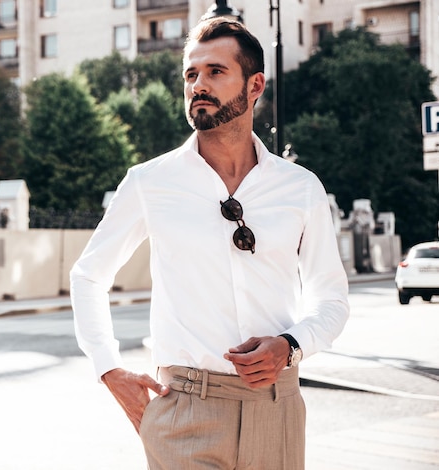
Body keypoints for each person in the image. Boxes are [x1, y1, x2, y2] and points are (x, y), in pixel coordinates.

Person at [70, 17, 349, 470]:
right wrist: (108, 368)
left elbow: (332, 299)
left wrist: (291, 344)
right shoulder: (149, 182)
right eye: (191, 74)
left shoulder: (300, 188)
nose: (199, 84)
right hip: (184, 413)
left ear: (254, 85)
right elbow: (88, 275)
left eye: (216, 72)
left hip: (275, 409)